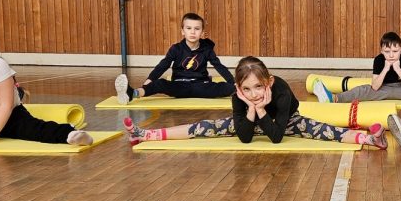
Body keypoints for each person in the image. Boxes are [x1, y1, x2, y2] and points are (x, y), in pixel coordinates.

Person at [125, 56, 386, 149]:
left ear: (269, 82)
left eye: (258, 87)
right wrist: (251, 109)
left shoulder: (281, 91)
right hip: (251, 120)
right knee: (205, 127)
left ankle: (371, 139)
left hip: (287, 121)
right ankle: (146, 134)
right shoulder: (241, 97)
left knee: (323, 130)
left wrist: (260, 109)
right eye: (246, 89)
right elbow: (245, 138)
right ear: (239, 88)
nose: (253, 93)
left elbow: (276, 137)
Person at [114, 12, 234, 103]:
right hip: (179, 85)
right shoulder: (176, 49)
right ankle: (132, 93)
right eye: (189, 28)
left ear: (202, 33)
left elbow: (219, 66)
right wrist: (150, 79)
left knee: (223, 87)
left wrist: (232, 82)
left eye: (197, 29)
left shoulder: (206, 49)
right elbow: (163, 65)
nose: (193, 32)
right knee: (160, 83)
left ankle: (240, 91)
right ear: (182, 31)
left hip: (201, 86)